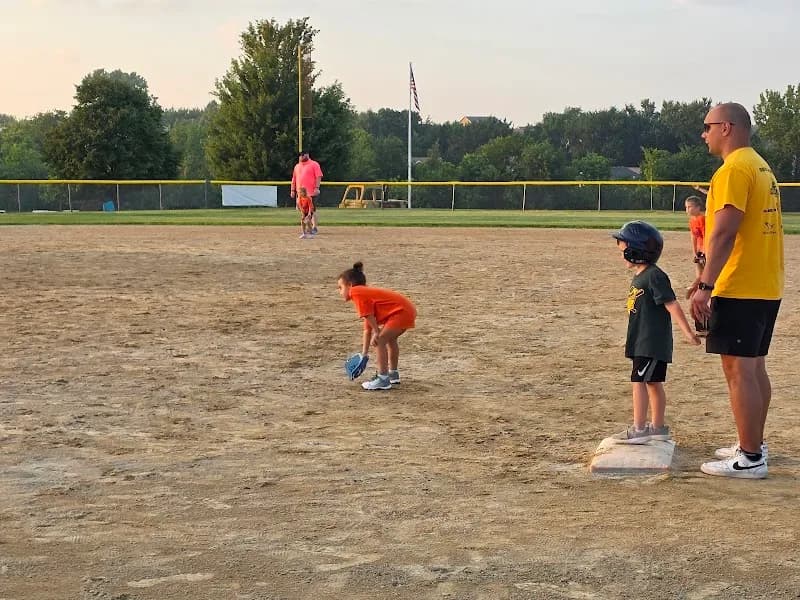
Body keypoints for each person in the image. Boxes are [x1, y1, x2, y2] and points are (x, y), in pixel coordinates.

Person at [691, 102, 784, 479]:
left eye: (708, 126)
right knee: (754, 367)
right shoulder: (760, 165)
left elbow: (725, 231)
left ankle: (749, 458)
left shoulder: (733, 170)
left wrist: (707, 284)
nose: (704, 133)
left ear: (726, 127)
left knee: (739, 370)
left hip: (740, 284)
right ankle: (754, 444)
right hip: (764, 282)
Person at [609, 221, 700, 444]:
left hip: (650, 343)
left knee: (639, 382)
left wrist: (687, 332)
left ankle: (640, 429)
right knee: (652, 382)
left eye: (623, 250)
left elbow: (671, 304)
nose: (621, 255)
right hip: (642, 340)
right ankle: (657, 427)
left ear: (636, 252)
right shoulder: (642, 275)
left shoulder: (654, 276)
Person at [337, 262, 417, 390]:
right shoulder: (365, 294)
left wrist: (377, 332)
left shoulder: (356, 292)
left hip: (401, 313)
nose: (339, 291)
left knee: (380, 341)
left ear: (350, 285)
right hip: (406, 310)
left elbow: (370, 322)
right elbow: (367, 328)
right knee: (390, 340)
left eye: (340, 287)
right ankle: (392, 374)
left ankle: (383, 379)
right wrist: (364, 354)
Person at [684, 195, 708, 334]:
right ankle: (694, 287)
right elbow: (693, 236)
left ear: (698, 207)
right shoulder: (692, 221)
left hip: (705, 251)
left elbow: (707, 236)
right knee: (701, 277)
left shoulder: (703, 219)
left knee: (704, 278)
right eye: (686, 207)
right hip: (699, 251)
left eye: (689, 207)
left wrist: (704, 253)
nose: (687, 210)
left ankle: (692, 287)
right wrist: (695, 252)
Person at [291, 150, 323, 234]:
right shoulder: (297, 166)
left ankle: (314, 227)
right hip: (300, 194)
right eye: (300, 155)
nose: (301, 157)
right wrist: (292, 190)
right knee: (303, 210)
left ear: (307, 155)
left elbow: (318, 176)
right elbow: (294, 179)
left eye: (302, 155)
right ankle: (308, 228)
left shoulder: (314, 164)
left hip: (311, 192)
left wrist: (317, 188)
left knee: (312, 210)